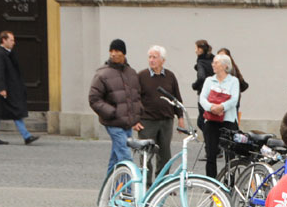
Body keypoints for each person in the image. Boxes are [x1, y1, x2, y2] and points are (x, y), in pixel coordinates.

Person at [88, 39, 143, 174]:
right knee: (126, 156)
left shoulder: (131, 73)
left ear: (123, 53)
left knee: (116, 158)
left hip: (127, 123)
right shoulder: (102, 73)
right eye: (111, 51)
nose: (113, 54)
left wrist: (137, 115)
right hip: (113, 122)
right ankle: (130, 191)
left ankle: (110, 190)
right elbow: (94, 99)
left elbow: (136, 96)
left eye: (117, 51)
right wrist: (112, 112)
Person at [137, 45, 184, 173]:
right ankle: (146, 185)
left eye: (155, 57)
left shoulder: (170, 76)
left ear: (163, 60)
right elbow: (134, 99)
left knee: (164, 154)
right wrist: (134, 120)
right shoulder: (142, 76)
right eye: (150, 57)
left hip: (166, 121)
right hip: (147, 121)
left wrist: (180, 117)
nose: (151, 60)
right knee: (146, 154)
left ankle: (162, 183)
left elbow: (176, 97)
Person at [0, 30, 37, 146]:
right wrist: (1, 88)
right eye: (11, 40)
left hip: (11, 88)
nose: (13, 42)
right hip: (5, 89)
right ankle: (26, 136)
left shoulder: (8, 53)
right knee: (12, 112)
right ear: (4, 40)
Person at [199, 53, 241, 179]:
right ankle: (211, 181)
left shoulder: (234, 81)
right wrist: (211, 107)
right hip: (211, 121)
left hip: (228, 121)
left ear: (225, 66)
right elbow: (202, 98)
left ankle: (230, 182)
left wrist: (221, 107)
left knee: (230, 154)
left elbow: (234, 99)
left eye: (216, 62)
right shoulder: (209, 80)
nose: (213, 65)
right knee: (211, 153)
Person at [192, 40, 214, 131]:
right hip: (216, 93)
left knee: (201, 121)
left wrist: (195, 85)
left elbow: (201, 77)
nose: (195, 51)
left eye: (196, 48)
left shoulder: (201, 61)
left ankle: (208, 141)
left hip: (204, 94)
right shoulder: (214, 59)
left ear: (200, 49)